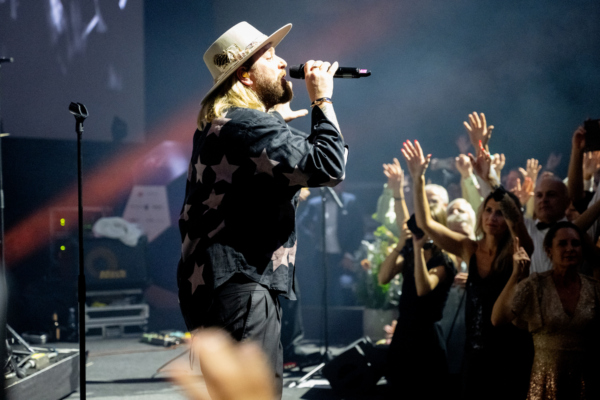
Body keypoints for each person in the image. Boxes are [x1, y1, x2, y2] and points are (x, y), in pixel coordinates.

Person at [176, 21, 347, 397]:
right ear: (246, 76)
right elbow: (330, 166)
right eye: (270, 56)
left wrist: (275, 128)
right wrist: (322, 100)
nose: (284, 62)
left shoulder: (224, 126)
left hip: (219, 286)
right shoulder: (249, 124)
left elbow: (299, 181)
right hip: (242, 283)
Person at [401, 139, 534, 400]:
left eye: (499, 213)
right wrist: (418, 178)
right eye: (488, 211)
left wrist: (494, 183)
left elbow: (516, 218)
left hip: (511, 349)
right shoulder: (468, 248)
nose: (492, 218)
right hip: (475, 351)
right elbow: (427, 223)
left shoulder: (519, 246)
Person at [492, 222, 600, 399]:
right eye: (562, 243)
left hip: (584, 382)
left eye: (575, 243)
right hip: (544, 383)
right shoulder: (537, 285)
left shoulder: (594, 288)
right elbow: (497, 318)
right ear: (549, 251)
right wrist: (515, 275)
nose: (570, 248)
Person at [377, 159, 456, 400]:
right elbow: (383, 277)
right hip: (404, 333)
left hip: (427, 339)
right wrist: (403, 244)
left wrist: (418, 250)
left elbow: (423, 289)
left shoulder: (445, 260)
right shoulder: (411, 251)